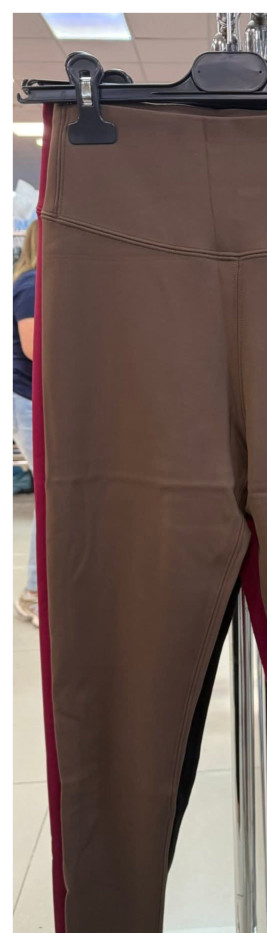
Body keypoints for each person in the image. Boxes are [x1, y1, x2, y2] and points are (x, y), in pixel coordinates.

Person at [13, 219, 38, 627]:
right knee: (51, 500)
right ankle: (33, 593)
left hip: (33, 400)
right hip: (28, 400)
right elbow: (35, 349)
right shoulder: (32, 285)